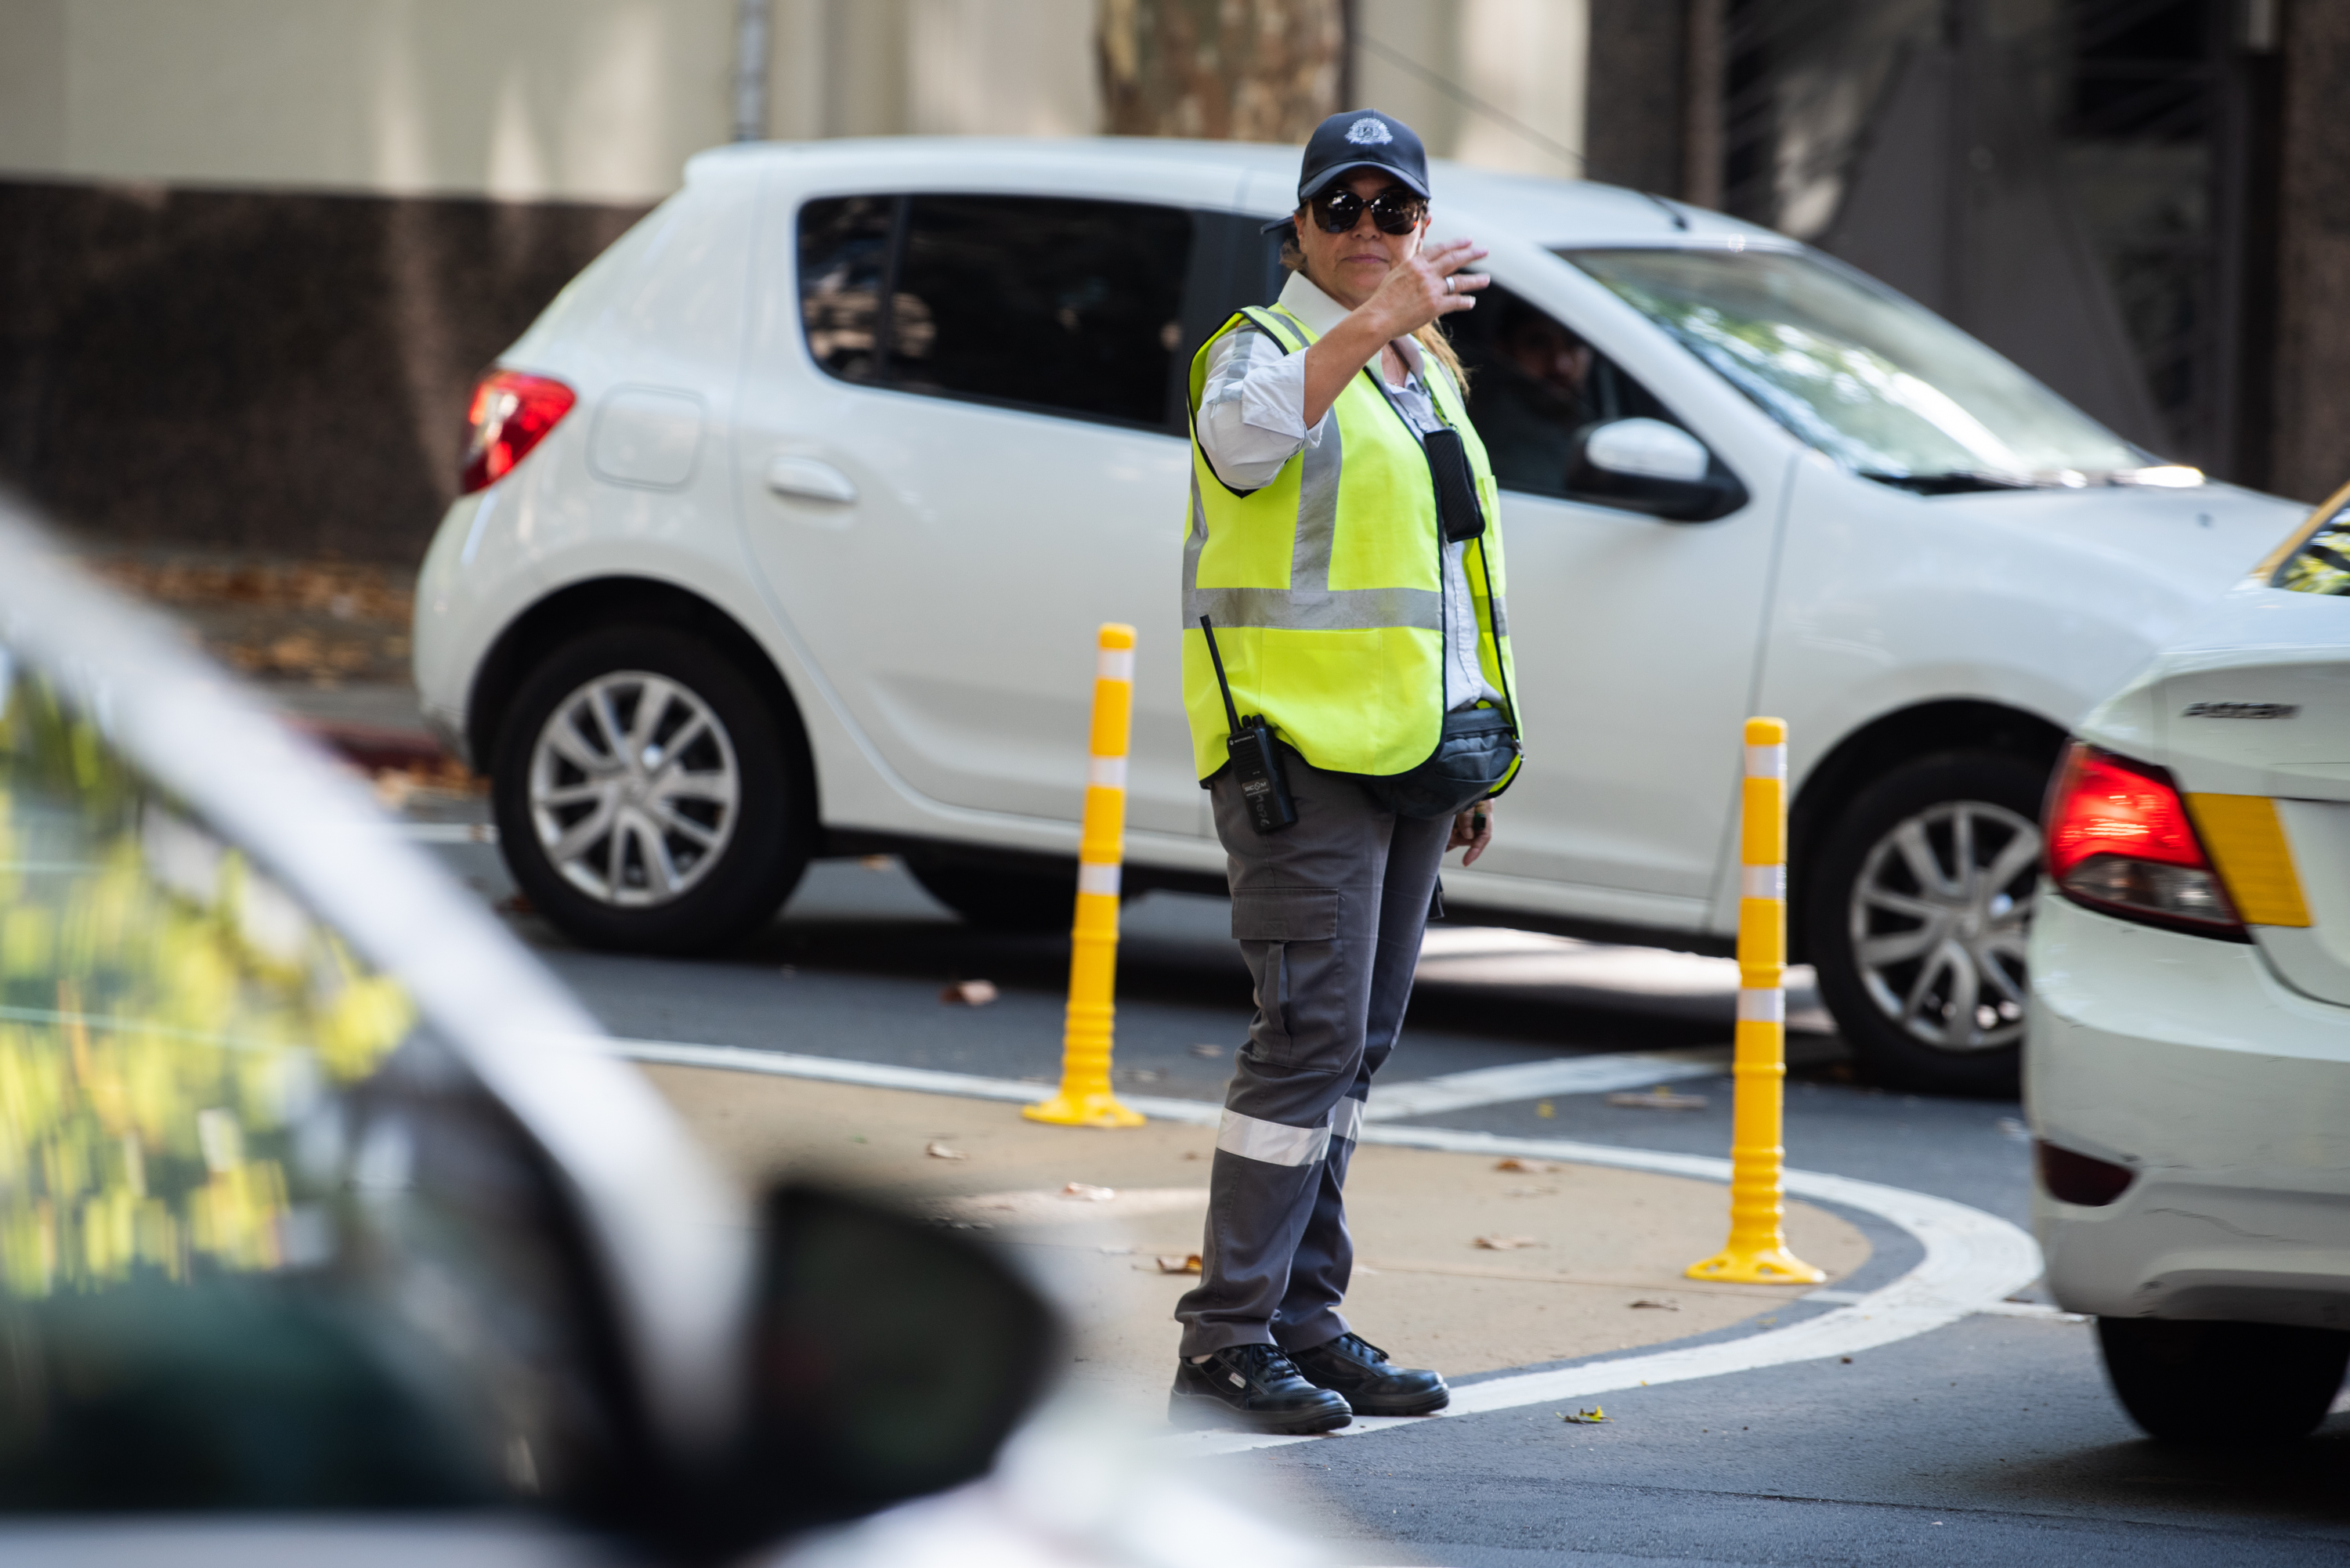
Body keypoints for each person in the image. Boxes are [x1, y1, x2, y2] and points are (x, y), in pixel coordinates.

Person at [1170, 109, 1520, 1435]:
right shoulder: (1262, 352)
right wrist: (1378, 321)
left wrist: (1469, 748)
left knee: (1350, 1054)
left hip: (1407, 757)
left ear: (1421, 225)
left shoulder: (1417, 373)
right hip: (1295, 755)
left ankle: (1304, 1321)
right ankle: (1227, 1341)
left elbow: (1444, 579)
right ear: (1300, 228)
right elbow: (1244, 447)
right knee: (1305, 1041)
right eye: (1344, 208)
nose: (1370, 232)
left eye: (1396, 212)